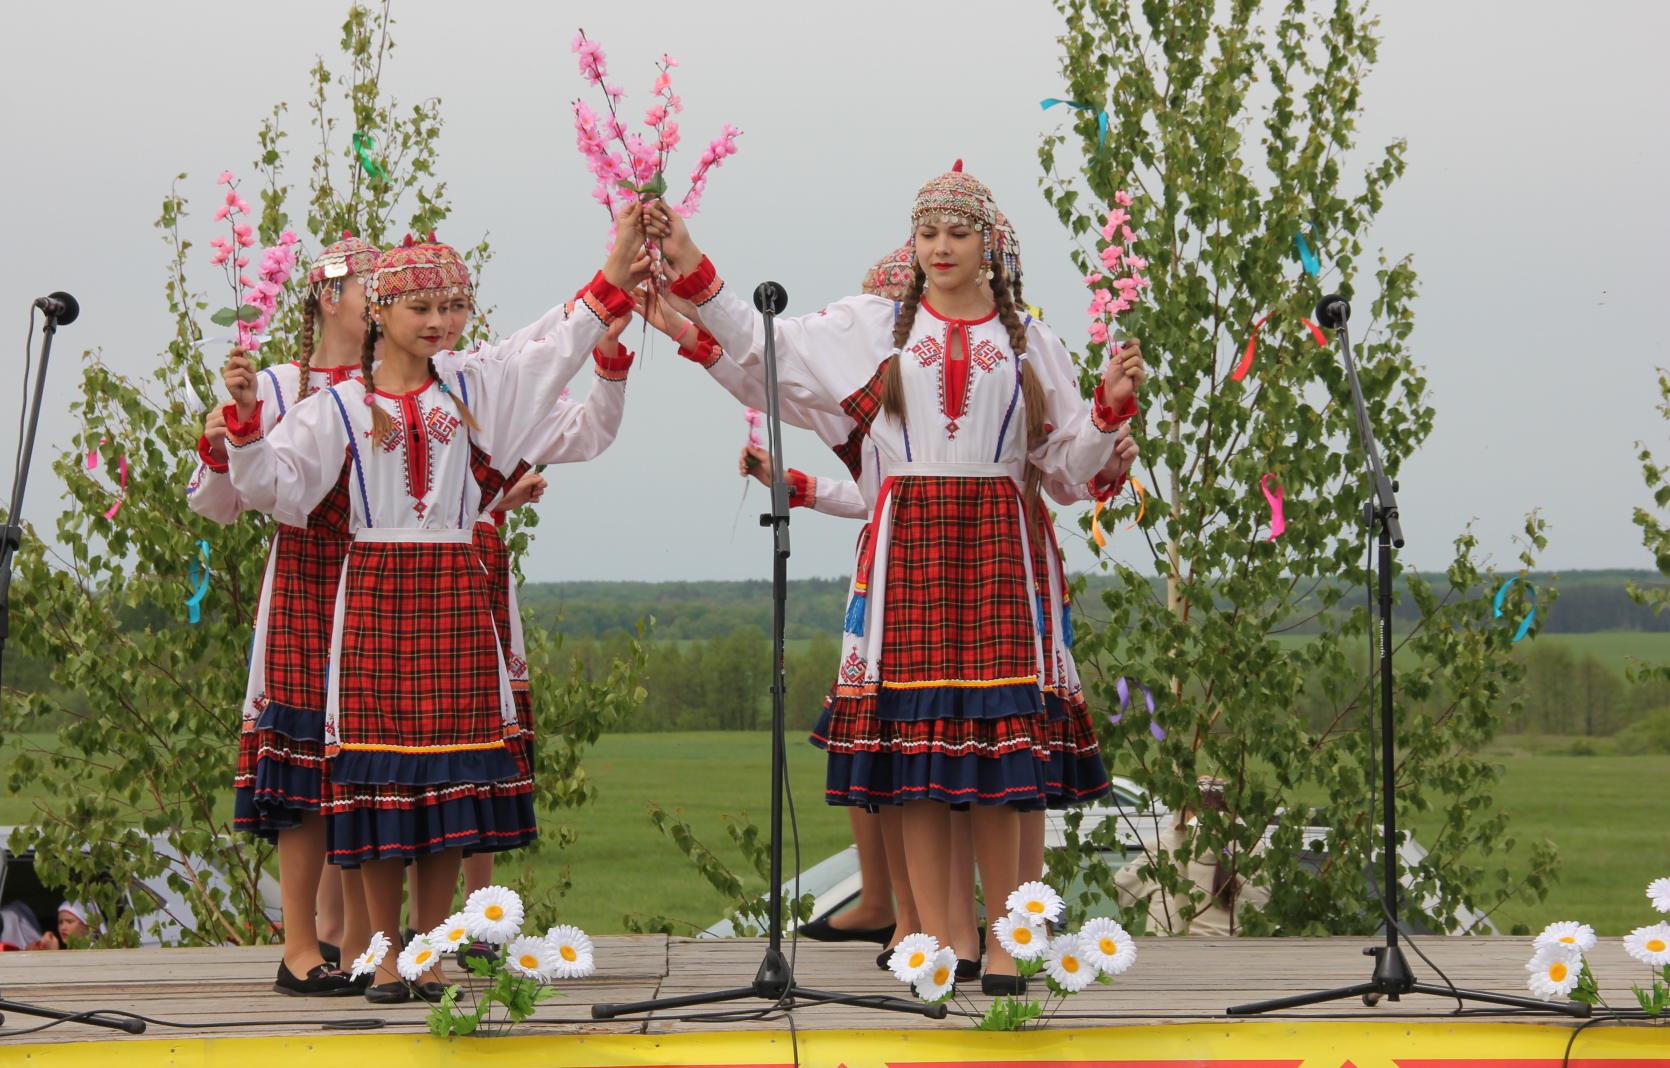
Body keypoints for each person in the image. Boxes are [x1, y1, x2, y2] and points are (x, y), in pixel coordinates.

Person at [642, 163, 1145, 994]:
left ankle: (1012, 942)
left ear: (990, 247)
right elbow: (762, 345)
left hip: (994, 548)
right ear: (913, 245)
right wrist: (692, 256)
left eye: (957, 232)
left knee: (997, 756)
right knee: (916, 757)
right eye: (927, 233)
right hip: (909, 541)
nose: (940, 247)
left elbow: (1063, 472)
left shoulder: (1032, 343)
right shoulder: (872, 326)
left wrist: (1109, 409)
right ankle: (938, 943)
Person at [225, 206, 648, 1003]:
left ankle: (425, 954)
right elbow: (277, 490)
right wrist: (247, 429)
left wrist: (618, 270)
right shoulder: (340, 407)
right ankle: (380, 958)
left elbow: (553, 343)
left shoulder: (477, 386)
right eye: (421, 307)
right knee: (379, 780)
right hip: (377, 592)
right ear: (377, 311)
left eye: (453, 307)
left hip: (454, 592)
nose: (440, 321)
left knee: (449, 779)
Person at [196, 233, 380, 998]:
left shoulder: (398, 378)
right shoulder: (278, 384)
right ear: (329, 294)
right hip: (308, 579)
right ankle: (300, 946)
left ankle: (371, 945)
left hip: (378, 577)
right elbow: (222, 505)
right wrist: (228, 429)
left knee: (376, 761)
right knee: (304, 767)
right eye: (373, 281)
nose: (385, 293)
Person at [1112, 776, 1269, 935]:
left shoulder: (1165, 849)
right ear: (1234, 813)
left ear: (1185, 813)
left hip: (1173, 955)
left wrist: (1174, 833)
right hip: (1242, 957)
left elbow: (1119, 893)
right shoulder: (1258, 853)